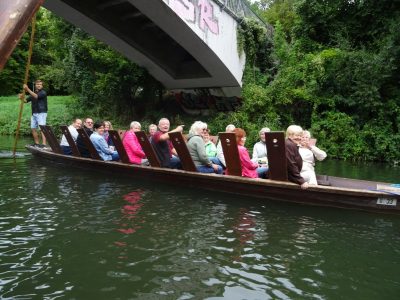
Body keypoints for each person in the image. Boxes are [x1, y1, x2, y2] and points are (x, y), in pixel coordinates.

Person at [18, 80, 48, 147]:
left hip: (41, 112)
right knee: (33, 128)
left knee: (42, 128)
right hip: (34, 113)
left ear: (42, 86)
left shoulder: (43, 92)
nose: (39, 85)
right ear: (35, 85)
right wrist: (21, 98)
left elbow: (36, 96)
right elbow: (26, 101)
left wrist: (27, 89)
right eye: (37, 84)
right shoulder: (33, 93)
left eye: (40, 84)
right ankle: (36, 143)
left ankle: (44, 144)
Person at [285, 125, 308, 189]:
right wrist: (301, 181)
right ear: (290, 135)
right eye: (297, 135)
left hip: (290, 176)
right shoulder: (289, 145)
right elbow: (291, 164)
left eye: (300, 136)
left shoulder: (292, 144)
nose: (299, 138)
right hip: (288, 177)